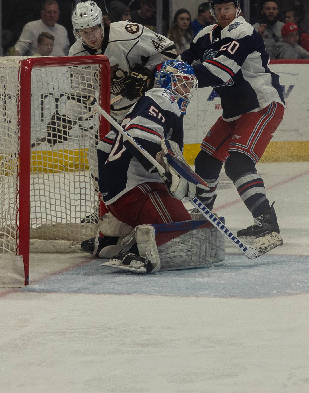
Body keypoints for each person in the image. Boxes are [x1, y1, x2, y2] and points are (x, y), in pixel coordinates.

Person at [91, 60, 229, 273]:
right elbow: (139, 137)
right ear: (166, 80)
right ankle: (134, 250)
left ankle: (112, 238)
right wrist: (164, 170)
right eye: (183, 84)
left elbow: (103, 146)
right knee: (182, 231)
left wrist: (106, 187)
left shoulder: (147, 104)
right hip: (136, 190)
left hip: (122, 191)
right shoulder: (163, 98)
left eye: (190, 86)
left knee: (180, 220)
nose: (187, 92)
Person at [180, 0, 287, 241]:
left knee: (238, 162)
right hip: (234, 112)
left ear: (237, 8)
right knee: (206, 159)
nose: (223, 13)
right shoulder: (205, 35)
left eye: (227, 8)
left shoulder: (242, 31)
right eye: (218, 9)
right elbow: (184, 58)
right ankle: (203, 216)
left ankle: (266, 221)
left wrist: (177, 75)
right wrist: (162, 67)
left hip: (261, 105)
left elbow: (220, 71)